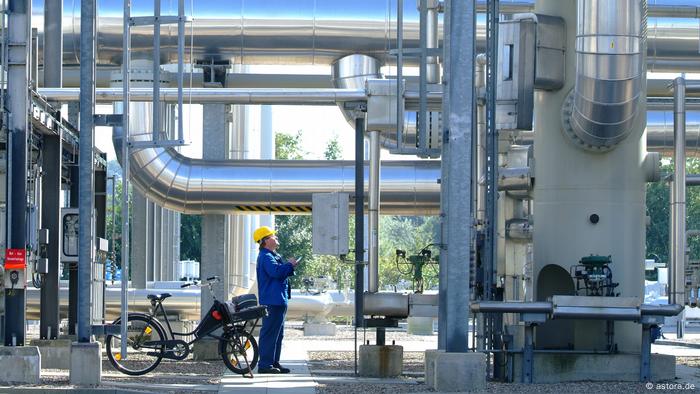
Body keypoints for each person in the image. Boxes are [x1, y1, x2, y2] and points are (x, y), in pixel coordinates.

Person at [254, 226, 299, 374]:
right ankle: (265, 365)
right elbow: (276, 273)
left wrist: (289, 266)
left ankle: (273, 362)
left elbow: (279, 272)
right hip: (273, 300)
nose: (276, 238)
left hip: (278, 300)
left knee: (277, 334)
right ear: (265, 240)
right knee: (270, 333)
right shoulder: (266, 257)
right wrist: (289, 265)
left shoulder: (271, 255)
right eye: (273, 236)